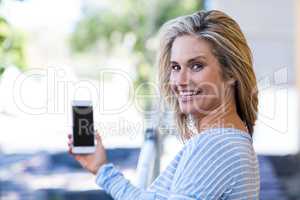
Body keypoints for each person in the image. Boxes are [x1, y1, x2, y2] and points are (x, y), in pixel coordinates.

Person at [68, 10, 260, 199]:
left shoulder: (214, 147)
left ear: (231, 72)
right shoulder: (233, 141)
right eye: (176, 67)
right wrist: (102, 169)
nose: (180, 81)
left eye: (196, 66)